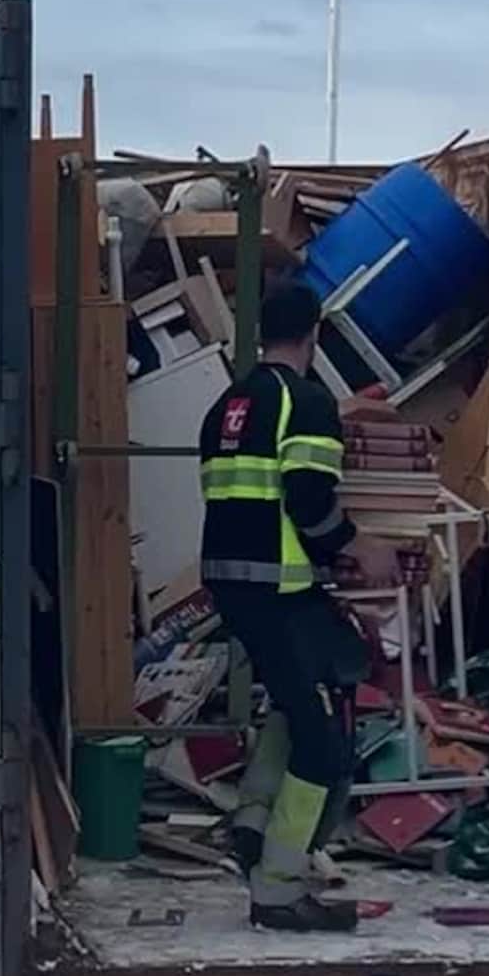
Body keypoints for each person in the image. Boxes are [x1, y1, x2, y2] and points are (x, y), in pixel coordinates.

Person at [198, 279, 368, 932]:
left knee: (304, 697)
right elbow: (306, 498)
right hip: (281, 588)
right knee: (323, 744)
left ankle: (249, 825)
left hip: (234, 585)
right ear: (314, 333)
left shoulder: (225, 404)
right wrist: (357, 545)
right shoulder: (308, 401)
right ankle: (277, 889)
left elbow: (245, 500)